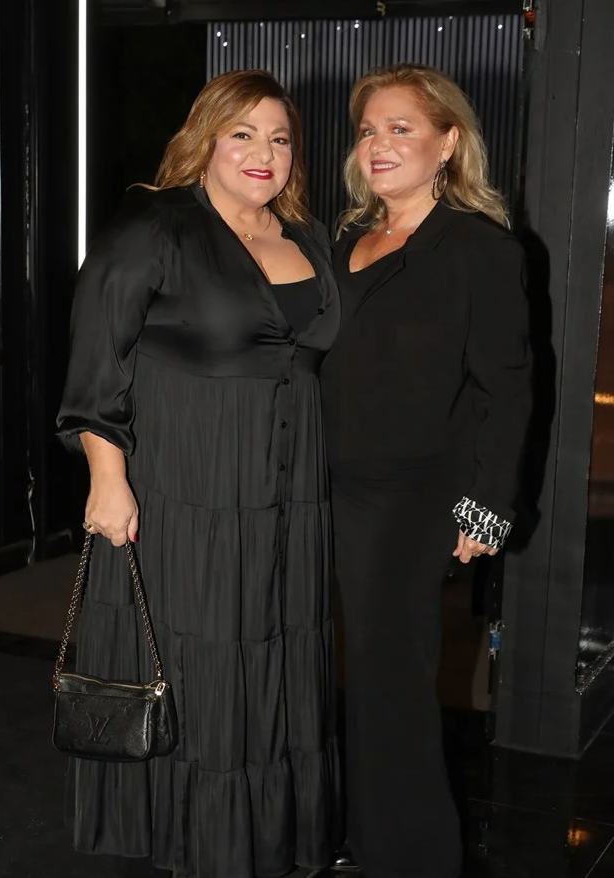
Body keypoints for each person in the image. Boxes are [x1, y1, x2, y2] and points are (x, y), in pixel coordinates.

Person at [57, 69, 341, 878]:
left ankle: (270, 835)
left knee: (279, 654)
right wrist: (107, 479)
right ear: (205, 139)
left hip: (291, 493)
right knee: (204, 658)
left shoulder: (306, 236)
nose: (264, 152)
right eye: (242, 133)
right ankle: (201, 841)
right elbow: (97, 361)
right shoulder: (156, 226)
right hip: (190, 489)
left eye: (279, 137)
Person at [320, 64, 531, 878]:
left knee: (390, 684)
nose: (378, 143)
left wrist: (485, 511)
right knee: (326, 671)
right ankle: (350, 833)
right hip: (321, 487)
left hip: (409, 498)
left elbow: (507, 392)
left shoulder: (479, 248)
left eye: (401, 127)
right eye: (369, 129)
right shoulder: (343, 240)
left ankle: (410, 857)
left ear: (448, 143)